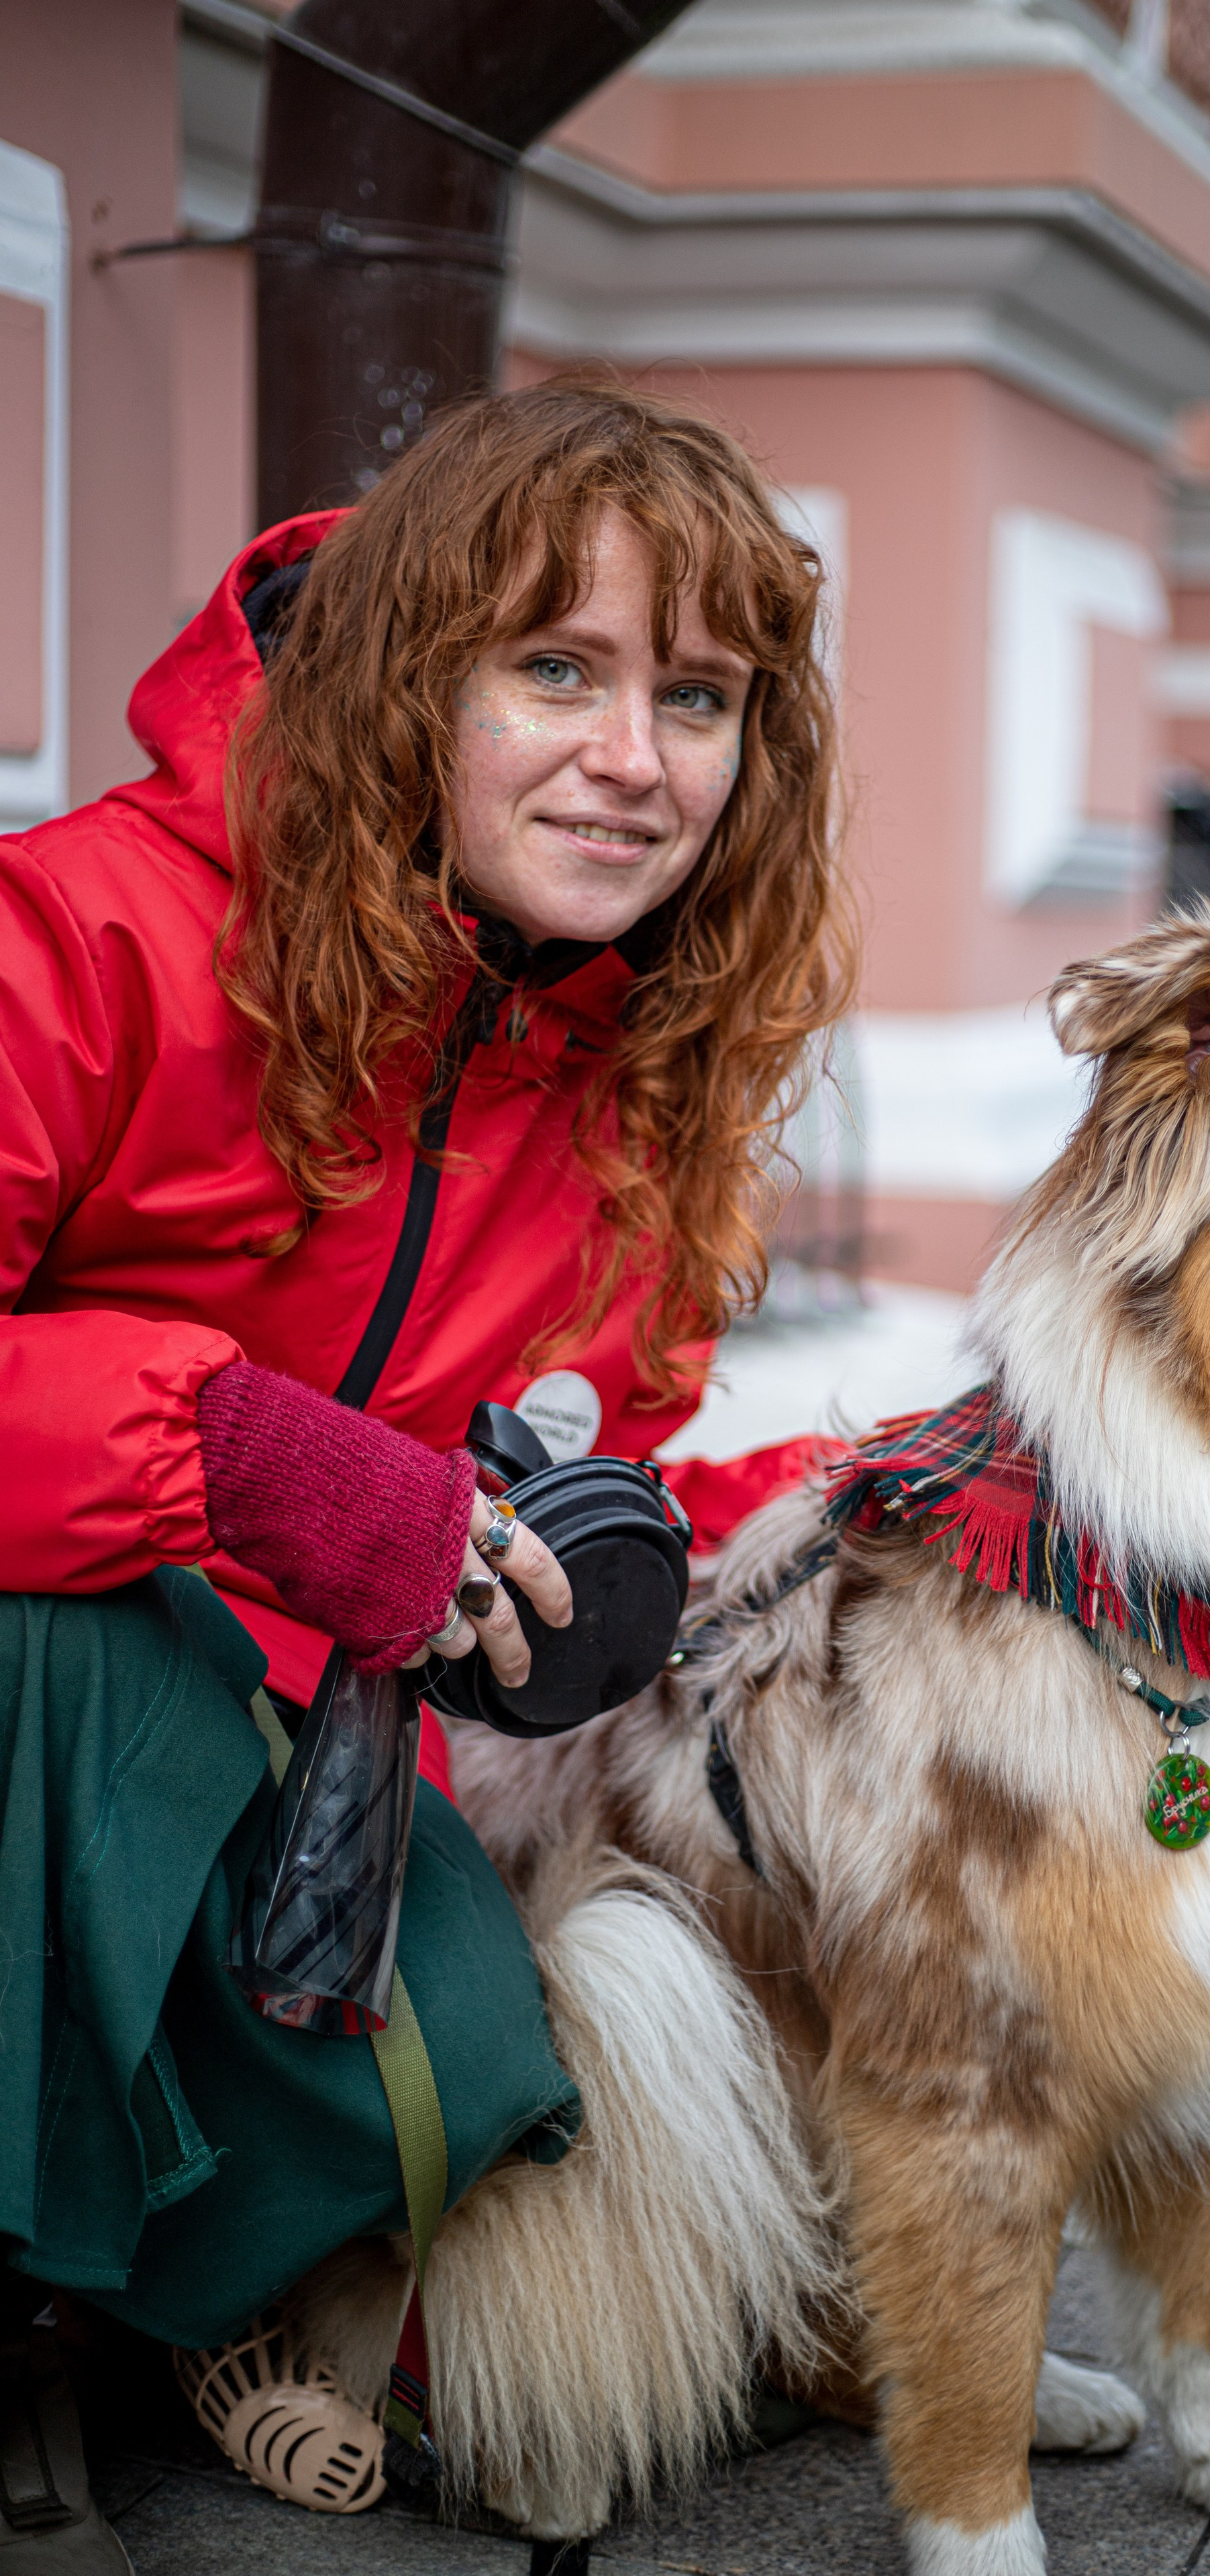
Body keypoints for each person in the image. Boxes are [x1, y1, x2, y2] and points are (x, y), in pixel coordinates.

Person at [0, 380, 854, 2569]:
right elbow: (262, 1478)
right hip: (58, 1682)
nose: (635, 758)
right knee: (78, 1659)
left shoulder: (637, 1065)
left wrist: (842, 1496)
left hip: (329, 1760)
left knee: (478, 2095)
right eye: (556, 669)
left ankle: (158, 2284)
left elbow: (573, 1478)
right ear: (407, 681)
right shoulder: (77, 932)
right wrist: (236, 1457)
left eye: (699, 696)